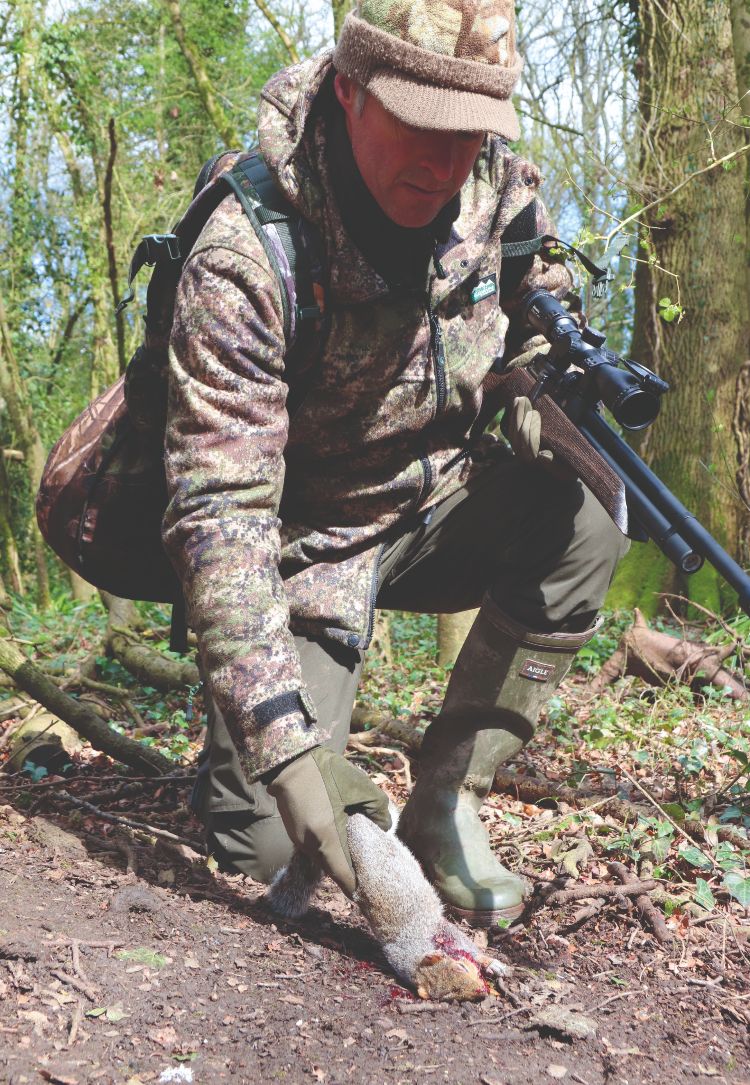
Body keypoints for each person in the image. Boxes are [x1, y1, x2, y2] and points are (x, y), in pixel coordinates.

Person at [162, 0, 628, 927]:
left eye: (470, 132)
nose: (445, 161)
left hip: (440, 503)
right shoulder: (247, 252)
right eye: (418, 122)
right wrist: (285, 745)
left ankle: (446, 796)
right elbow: (219, 508)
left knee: (586, 523)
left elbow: (543, 304)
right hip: (304, 551)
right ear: (350, 89)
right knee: (273, 842)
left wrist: (537, 390)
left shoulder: (501, 193)